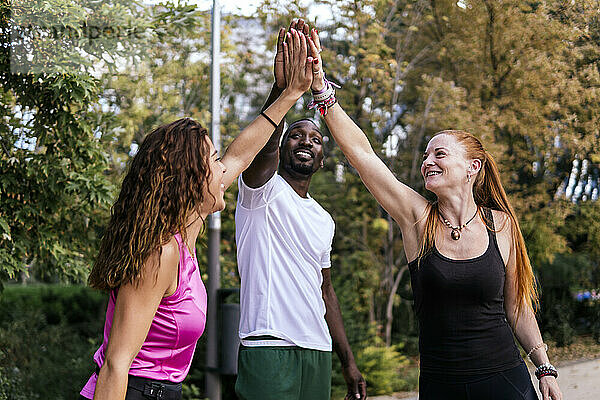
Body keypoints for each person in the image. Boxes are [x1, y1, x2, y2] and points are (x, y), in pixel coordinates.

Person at [304, 28, 563, 400]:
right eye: (426, 155)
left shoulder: (500, 224)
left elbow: (517, 306)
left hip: (505, 380)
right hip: (442, 385)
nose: (427, 162)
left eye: (439, 154)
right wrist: (321, 90)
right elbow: (363, 156)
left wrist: (545, 367)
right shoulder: (417, 218)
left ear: (473, 166)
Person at [79, 26, 314, 400]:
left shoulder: (185, 237)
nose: (225, 169)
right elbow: (116, 365)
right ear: (189, 180)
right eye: (214, 162)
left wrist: (290, 93)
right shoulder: (159, 252)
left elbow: (243, 153)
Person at [234, 19, 367, 400]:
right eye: (296, 134)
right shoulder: (260, 190)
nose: (306, 140)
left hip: (318, 349)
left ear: (323, 158)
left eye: (316, 137)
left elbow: (326, 291)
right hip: (268, 345)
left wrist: (348, 360)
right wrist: (284, 90)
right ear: (283, 145)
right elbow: (263, 150)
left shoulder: (324, 219)